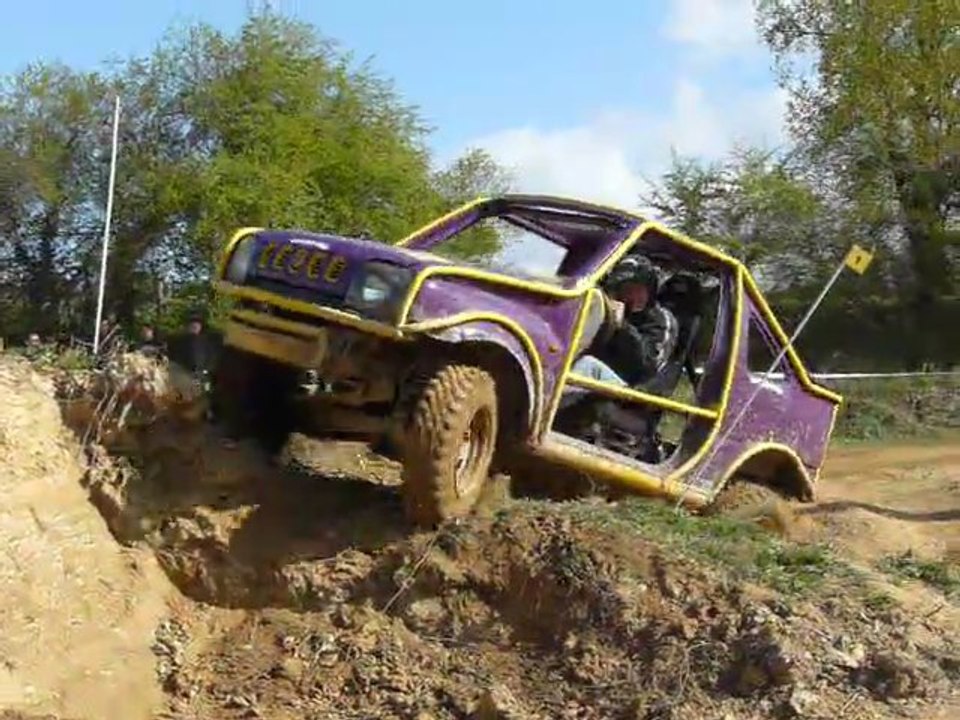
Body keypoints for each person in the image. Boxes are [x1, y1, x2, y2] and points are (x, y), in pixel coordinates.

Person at [565, 254, 679, 401]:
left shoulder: (661, 319)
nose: (631, 295)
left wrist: (623, 327)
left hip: (634, 392)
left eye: (637, 288)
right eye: (625, 289)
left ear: (650, 289)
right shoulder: (609, 311)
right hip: (599, 384)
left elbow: (648, 366)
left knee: (587, 366)